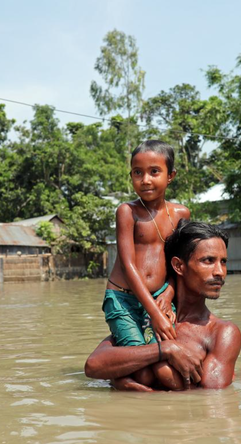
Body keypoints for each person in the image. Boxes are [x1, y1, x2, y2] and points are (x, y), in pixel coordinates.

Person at [87, 220, 241, 391]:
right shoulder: (150, 317)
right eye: (208, 260)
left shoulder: (222, 332)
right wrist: (165, 350)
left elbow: (209, 401)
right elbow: (94, 366)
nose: (220, 272)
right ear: (178, 266)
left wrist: (121, 381)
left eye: (223, 262)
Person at [102, 140, 190, 380]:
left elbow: (180, 263)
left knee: (168, 372)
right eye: (137, 173)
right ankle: (119, 376)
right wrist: (154, 314)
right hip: (123, 299)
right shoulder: (127, 211)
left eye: (154, 172)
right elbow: (128, 266)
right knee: (142, 372)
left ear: (170, 175)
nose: (145, 180)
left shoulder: (181, 214)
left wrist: (169, 293)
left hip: (160, 298)